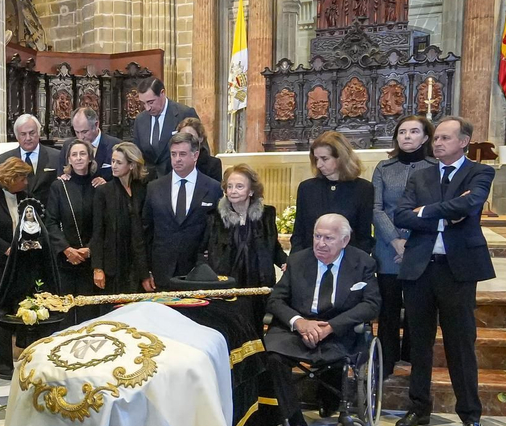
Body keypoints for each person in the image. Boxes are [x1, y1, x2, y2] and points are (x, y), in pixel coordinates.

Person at [394, 115, 495, 426]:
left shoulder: (480, 172)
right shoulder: (419, 175)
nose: (437, 143)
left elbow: (471, 202)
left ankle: (470, 414)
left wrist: (426, 212)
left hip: (458, 269)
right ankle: (418, 406)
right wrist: (446, 212)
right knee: (418, 342)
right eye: (436, 138)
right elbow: (402, 215)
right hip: (421, 266)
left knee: (460, 342)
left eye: (446, 138)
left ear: (464, 141)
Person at [263, 214, 381, 426]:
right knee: (272, 355)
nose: (320, 243)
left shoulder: (362, 263)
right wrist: (299, 323)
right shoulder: (297, 261)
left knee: (342, 354)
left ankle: (336, 406)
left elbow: (371, 304)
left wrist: (332, 326)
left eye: (328, 238)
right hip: (298, 329)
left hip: (338, 330)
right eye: (317, 236)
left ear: (344, 241)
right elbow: (276, 300)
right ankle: (296, 421)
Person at [371, 115, 432, 378]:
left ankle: (412, 356)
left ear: (426, 137)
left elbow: (433, 208)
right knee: (388, 307)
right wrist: (395, 241)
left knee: (419, 309)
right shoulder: (384, 168)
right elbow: (377, 208)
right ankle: (386, 359)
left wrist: (410, 242)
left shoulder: (435, 167)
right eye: (402, 132)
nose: (407, 136)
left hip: (421, 246)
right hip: (387, 248)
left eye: (414, 131)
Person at [204, 164, 287, 322]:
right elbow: (203, 251)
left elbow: (273, 247)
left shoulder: (266, 215)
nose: (233, 191)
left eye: (239, 186)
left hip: (258, 283)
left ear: (251, 191)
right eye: (230, 186)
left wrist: (285, 262)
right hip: (227, 285)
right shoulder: (214, 218)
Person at [0, 157, 36, 379]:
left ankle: (26, 357)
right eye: (22, 177)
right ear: (11, 178)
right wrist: (7, 250)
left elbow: (33, 225)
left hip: (21, 263)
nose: (25, 182)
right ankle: (2, 365)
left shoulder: (26, 197)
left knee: (24, 307)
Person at [143, 131, 221, 290]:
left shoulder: (212, 188)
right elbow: (146, 231)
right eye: (173, 154)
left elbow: (217, 233)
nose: (177, 159)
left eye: (183, 154)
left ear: (195, 155)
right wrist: (145, 271)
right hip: (162, 272)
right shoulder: (154, 187)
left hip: (198, 273)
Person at [291, 131, 374, 255]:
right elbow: (299, 233)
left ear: (341, 157)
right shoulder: (306, 188)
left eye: (324, 159)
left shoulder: (363, 188)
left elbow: (364, 237)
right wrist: (295, 262)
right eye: (316, 159)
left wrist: (356, 266)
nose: (319, 164)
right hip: (310, 260)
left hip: (348, 263)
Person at [45, 140, 99, 322]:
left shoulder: (99, 186)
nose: (78, 158)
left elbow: (104, 224)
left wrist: (90, 249)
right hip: (65, 260)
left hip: (92, 260)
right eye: (74, 155)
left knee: (89, 315)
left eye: (82, 154)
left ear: (90, 158)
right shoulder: (59, 187)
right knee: (65, 316)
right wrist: (67, 249)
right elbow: (50, 222)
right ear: (68, 159)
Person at [90, 141, 148, 295]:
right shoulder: (104, 192)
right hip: (112, 264)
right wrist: (98, 268)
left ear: (131, 165)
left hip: (136, 263)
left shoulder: (142, 190)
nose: (114, 165)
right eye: (113, 161)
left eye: (119, 162)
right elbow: (98, 232)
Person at [132, 76, 199, 176]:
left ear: (162, 93)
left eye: (151, 102)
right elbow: (136, 152)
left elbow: (200, 148)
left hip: (177, 178)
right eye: (143, 103)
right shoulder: (140, 119)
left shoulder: (184, 113)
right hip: (148, 183)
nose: (147, 108)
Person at [0, 113, 62, 200]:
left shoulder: (56, 156)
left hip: (47, 211)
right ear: (17, 136)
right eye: (23, 134)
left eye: (32, 133)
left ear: (39, 133)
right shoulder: (5, 159)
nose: (28, 138)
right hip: (16, 211)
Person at [71, 106, 116, 178]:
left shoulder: (115, 145)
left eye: (84, 132)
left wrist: (107, 184)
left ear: (96, 125)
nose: (80, 137)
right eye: (77, 132)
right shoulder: (68, 146)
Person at [175, 115, 223, 183]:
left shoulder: (212, 164)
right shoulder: (173, 162)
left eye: (190, 136)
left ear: (200, 138)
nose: (186, 140)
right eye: (183, 136)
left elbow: (214, 190)